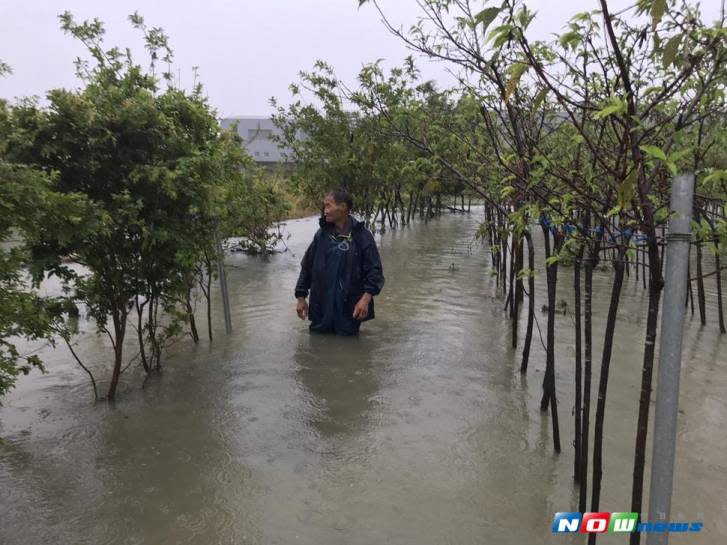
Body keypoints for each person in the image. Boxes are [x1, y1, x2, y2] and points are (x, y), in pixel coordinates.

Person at [294, 188, 385, 335]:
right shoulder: (321, 235)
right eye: (325, 206)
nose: (325, 210)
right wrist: (301, 297)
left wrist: (365, 300)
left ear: (343, 207)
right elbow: (307, 266)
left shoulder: (362, 236)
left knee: (348, 350)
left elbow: (375, 271)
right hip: (321, 306)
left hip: (349, 308)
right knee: (317, 347)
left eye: (329, 205)